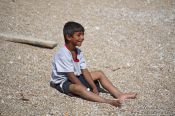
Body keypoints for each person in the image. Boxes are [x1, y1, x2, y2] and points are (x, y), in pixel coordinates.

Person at [50, 21, 137, 107]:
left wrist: (94, 87)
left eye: (83, 34)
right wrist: (86, 89)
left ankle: (119, 95)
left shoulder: (78, 51)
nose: (82, 37)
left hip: (76, 76)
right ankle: (108, 101)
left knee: (99, 73)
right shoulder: (63, 54)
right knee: (80, 88)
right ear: (68, 37)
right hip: (63, 81)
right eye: (79, 35)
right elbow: (70, 76)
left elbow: (84, 71)